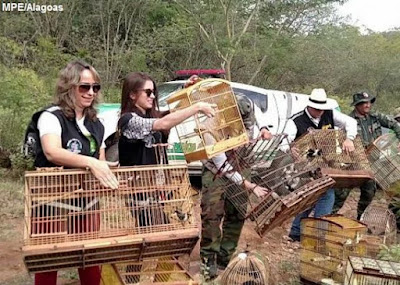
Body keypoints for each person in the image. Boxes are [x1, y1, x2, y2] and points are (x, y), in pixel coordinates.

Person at [34, 60, 118, 285]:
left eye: (95, 87)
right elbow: (52, 152)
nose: (90, 92)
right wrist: (91, 163)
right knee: (48, 259)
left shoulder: (97, 124)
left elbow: (100, 160)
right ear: (69, 86)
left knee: (89, 256)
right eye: (84, 87)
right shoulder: (51, 116)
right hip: (51, 199)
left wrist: (106, 170)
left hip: (86, 200)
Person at [200, 93, 272, 281]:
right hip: (216, 169)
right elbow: (222, 165)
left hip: (242, 162)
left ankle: (226, 256)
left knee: (238, 212)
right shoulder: (211, 127)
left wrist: (263, 128)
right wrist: (249, 185)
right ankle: (208, 259)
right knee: (212, 214)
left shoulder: (246, 107)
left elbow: (258, 118)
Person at [284, 88, 357, 242]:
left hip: (325, 162)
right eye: (318, 109)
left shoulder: (329, 114)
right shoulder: (295, 121)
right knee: (325, 195)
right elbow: (285, 142)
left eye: (322, 109)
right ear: (310, 106)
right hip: (305, 164)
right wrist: (291, 149)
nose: (320, 112)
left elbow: (351, 122)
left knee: (312, 196)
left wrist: (349, 138)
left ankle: (296, 232)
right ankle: (318, 234)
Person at [333, 92, 400, 219]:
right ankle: (330, 217)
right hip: (352, 163)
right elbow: (340, 140)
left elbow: (394, 124)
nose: (368, 105)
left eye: (369, 102)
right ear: (357, 105)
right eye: (364, 103)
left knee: (369, 192)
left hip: (371, 162)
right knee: (341, 194)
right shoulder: (348, 121)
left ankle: (359, 216)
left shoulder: (376, 117)